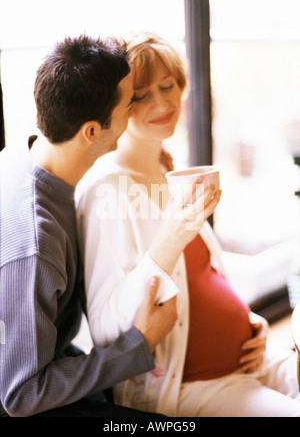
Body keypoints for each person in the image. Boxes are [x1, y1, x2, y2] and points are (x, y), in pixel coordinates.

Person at [76, 32, 300, 417]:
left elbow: (201, 276)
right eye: (142, 94)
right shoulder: (105, 190)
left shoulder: (168, 169)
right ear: (119, 103)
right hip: (186, 384)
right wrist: (173, 234)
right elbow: (106, 327)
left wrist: (247, 322)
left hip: (247, 361)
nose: (162, 102)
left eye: (169, 86)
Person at [0, 35, 178, 418]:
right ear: (92, 132)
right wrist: (138, 343)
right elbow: (21, 395)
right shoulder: (35, 242)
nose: (136, 111)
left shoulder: (23, 154)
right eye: (131, 103)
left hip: (55, 357)